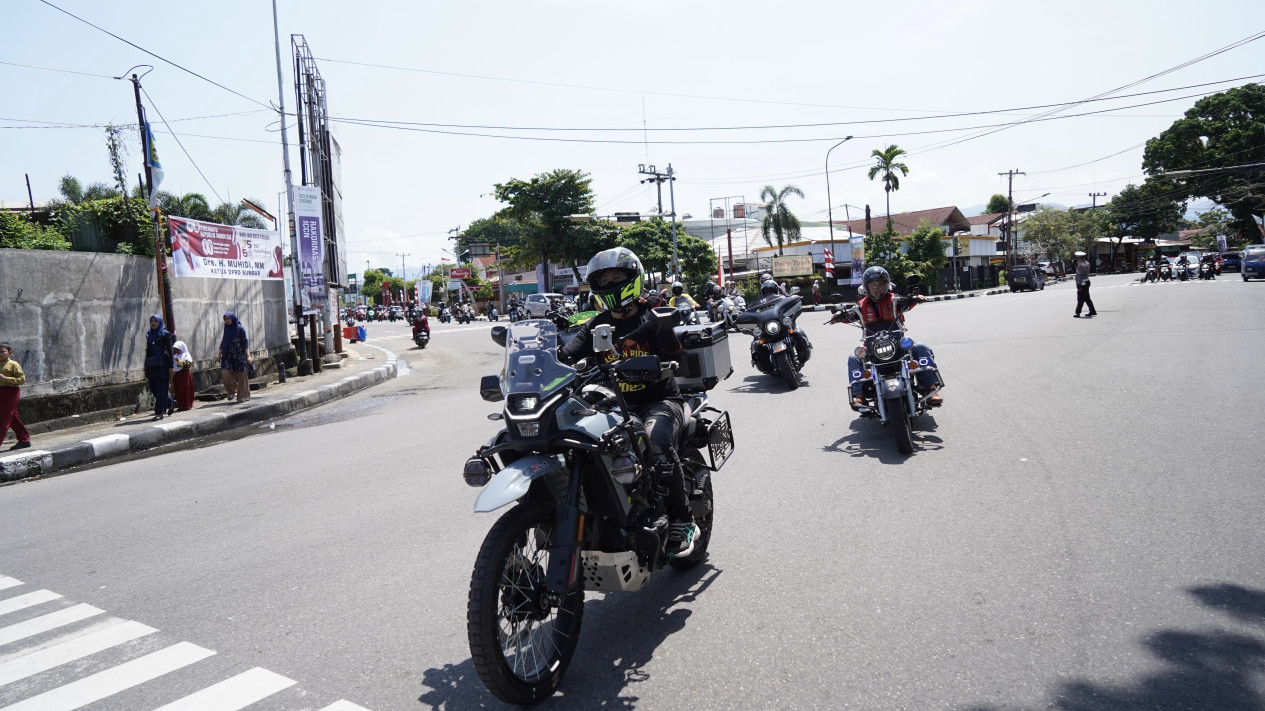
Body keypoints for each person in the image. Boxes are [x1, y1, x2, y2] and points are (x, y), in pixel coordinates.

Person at [557, 247, 699, 558]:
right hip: (612, 405)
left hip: (659, 401)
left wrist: (664, 331)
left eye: (616, 277)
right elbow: (567, 354)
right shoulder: (597, 324)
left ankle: (681, 519)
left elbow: (678, 358)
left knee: (656, 441)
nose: (609, 283)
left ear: (632, 278)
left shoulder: (654, 314)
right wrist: (547, 353)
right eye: (603, 278)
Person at [831, 267, 943, 405]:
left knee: (920, 347)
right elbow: (850, 315)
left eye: (881, 284)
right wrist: (838, 316)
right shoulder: (861, 306)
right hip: (872, 348)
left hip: (898, 345)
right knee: (854, 357)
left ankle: (931, 387)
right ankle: (859, 394)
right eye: (873, 285)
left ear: (887, 285)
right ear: (867, 287)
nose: (877, 289)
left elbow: (906, 302)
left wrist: (915, 298)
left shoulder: (894, 300)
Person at [0, 342, 31, 451]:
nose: (0, 354)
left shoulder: (13, 365)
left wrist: (6, 379)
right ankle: (24, 439)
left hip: (11, 392)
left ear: (9, 352)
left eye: (2, 351)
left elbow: (21, 380)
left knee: (3, 417)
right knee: (12, 417)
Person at [143, 315, 174, 420]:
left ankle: (159, 413)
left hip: (163, 366)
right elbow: (148, 351)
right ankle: (170, 402)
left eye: (155, 321)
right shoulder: (149, 334)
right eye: (151, 321)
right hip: (152, 365)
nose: (153, 323)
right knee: (153, 388)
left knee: (161, 390)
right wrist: (145, 366)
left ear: (160, 322)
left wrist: (171, 366)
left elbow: (170, 351)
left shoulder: (165, 334)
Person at [219, 311, 252, 403]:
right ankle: (232, 391)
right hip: (228, 355)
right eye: (225, 319)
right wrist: (219, 355)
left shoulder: (240, 328)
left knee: (241, 375)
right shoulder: (226, 329)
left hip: (239, 354)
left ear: (233, 318)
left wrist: (248, 356)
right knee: (225, 373)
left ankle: (242, 396)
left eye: (228, 319)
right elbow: (224, 341)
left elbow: (245, 343)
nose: (227, 321)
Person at [170, 336, 195, 413]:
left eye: (178, 349)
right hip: (177, 375)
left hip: (184, 375)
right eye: (175, 349)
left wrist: (179, 361)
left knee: (185, 390)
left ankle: (186, 405)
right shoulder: (175, 356)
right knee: (178, 390)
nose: (176, 351)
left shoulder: (186, 355)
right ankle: (181, 405)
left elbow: (187, 365)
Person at [1073, 251, 1097, 318]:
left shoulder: (1082, 264)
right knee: (1086, 298)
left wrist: (1079, 284)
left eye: (1077, 258)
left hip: (1082, 283)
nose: (1077, 259)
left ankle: (1077, 313)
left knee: (1080, 298)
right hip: (1084, 282)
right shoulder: (1084, 263)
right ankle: (1092, 311)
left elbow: (1081, 275)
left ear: (1080, 258)